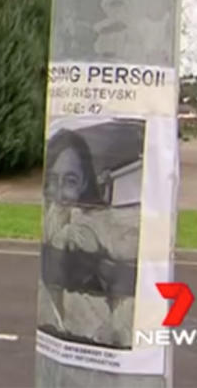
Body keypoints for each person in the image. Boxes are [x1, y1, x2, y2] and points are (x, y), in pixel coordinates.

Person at [38, 128, 139, 349]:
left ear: (84, 183)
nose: (60, 192)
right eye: (53, 180)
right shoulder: (49, 218)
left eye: (71, 181)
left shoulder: (101, 223)